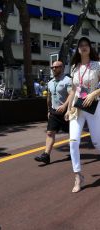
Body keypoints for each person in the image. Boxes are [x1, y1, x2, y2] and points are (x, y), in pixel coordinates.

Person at [65, 37, 100, 193]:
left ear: (90, 48)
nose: (84, 47)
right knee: (73, 141)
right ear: (78, 49)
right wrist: (67, 108)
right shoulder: (74, 67)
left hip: (93, 106)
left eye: (86, 45)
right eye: (81, 45)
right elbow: (73, 90)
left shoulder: (97, 65)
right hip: (77, 108)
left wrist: (94, 93)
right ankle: (78, 176)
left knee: (97, 143)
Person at [34, 61, 72, 164]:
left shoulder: (68, 80)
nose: (54, 69)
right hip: (54, 113)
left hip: (67, 113)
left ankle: (74, 152)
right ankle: (46, 155)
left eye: (56, 67)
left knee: (72, 135)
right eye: (52, 67)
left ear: (62, 68)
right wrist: (48, 111)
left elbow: (71, 95)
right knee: (50, 133)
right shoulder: (50, 82)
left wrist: (65, 106)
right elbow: (49, 97)